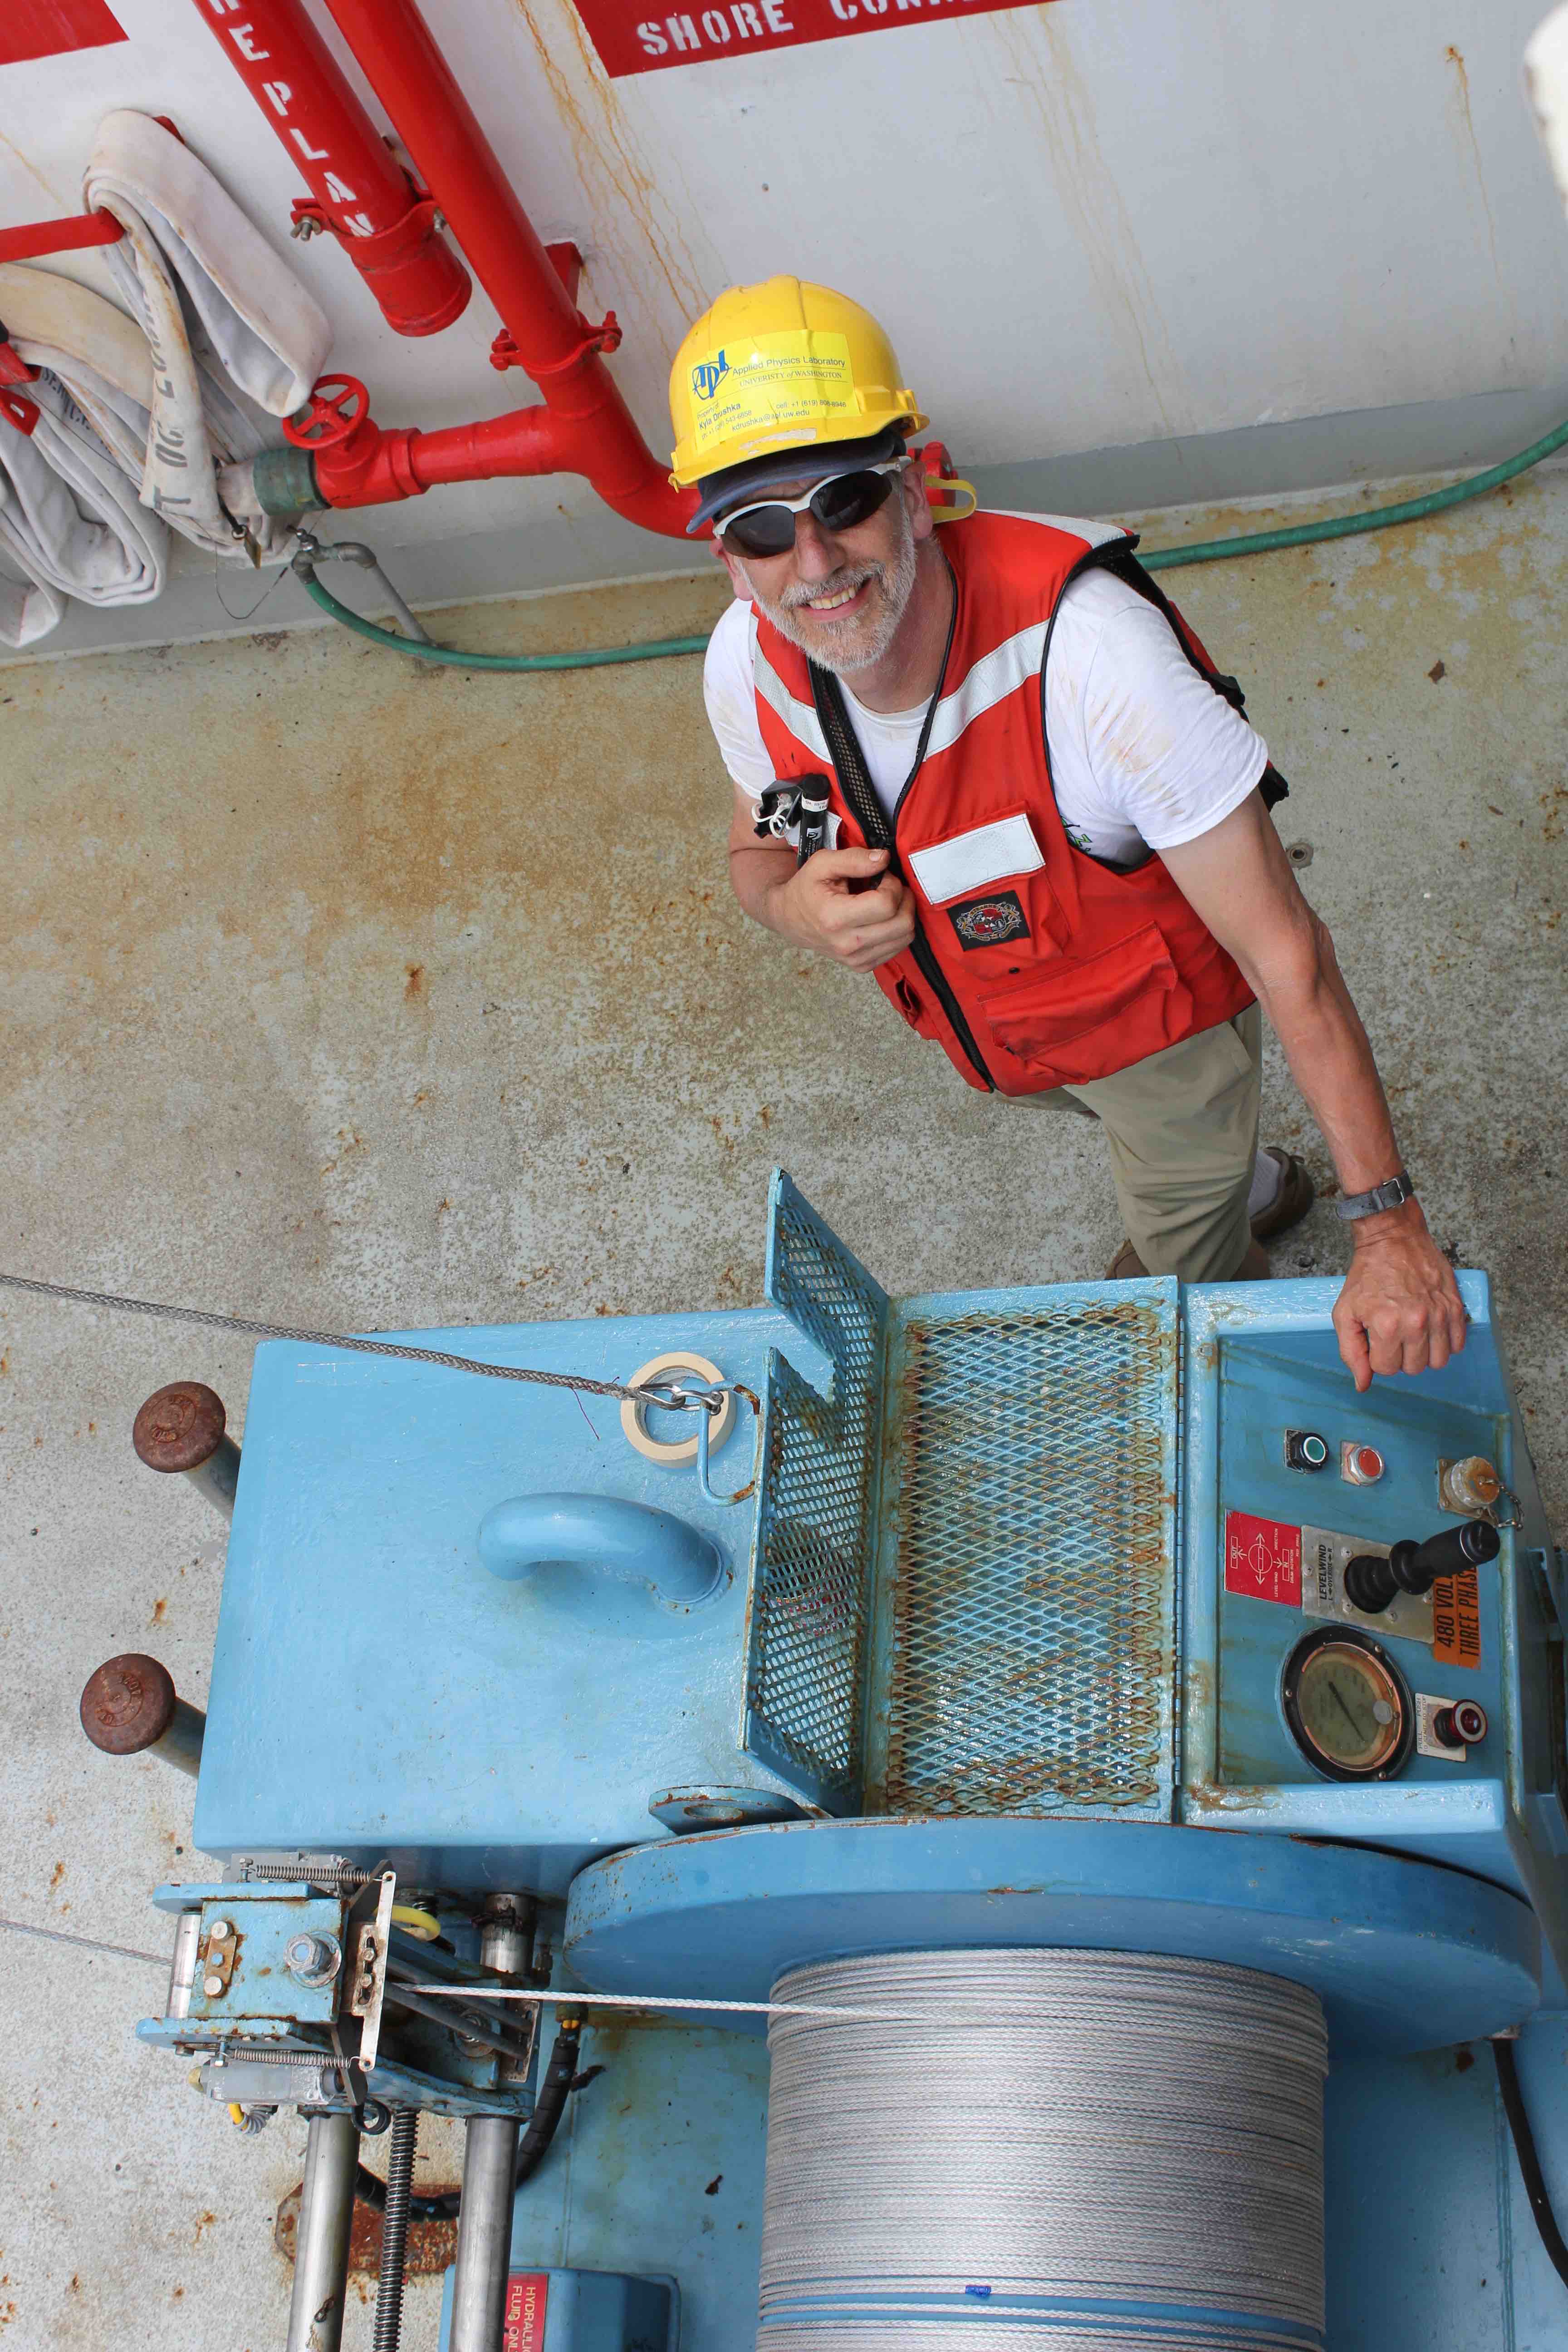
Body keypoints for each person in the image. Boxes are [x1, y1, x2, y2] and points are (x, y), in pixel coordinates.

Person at [671, 277, 1465, 1390]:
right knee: (1174, 1158)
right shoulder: (746, 661)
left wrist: (1387, 1229)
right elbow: (759, 847)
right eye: (761, 528)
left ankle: (1212, 1244)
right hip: (1004, 1034)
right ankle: (1237, 1181)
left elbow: (1289, 956)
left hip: (1162, 1046)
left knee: (1174, 1266)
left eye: (845, 500)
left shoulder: (1095, 661)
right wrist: (791, 909)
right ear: (728, 556)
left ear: (916, 490)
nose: (813, 564)